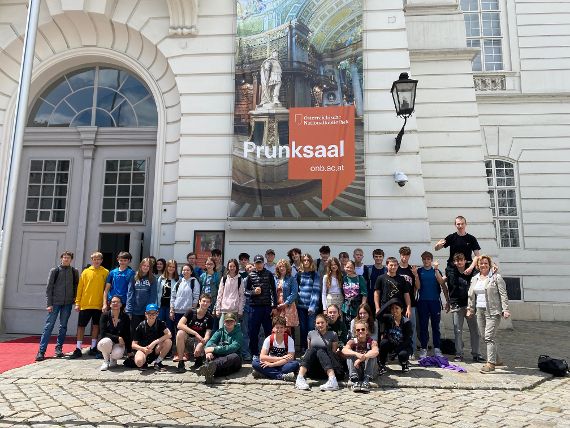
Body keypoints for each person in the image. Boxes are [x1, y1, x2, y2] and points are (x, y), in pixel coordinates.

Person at [467, 255, 510, 374]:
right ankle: (498, 360)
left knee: (489, 336)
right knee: (484, 336)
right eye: (481, 263)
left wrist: (505, 309)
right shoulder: (475, 278)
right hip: (480, 311)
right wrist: (470, 308)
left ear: (489, 265)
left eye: (486, 263)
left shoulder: (496, 277)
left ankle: (490, 363)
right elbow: (471, 295)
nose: (483, 265)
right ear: (478, 265)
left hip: (493, 310)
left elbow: (503, 294)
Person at [36, 251, 79, 361]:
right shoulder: (55, 271)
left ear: (71, 259)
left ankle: (59, 348)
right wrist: (49, 304)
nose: (66, 259)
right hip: (54, 303)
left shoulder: (74, 272)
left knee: (63, 326)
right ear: (61, 258)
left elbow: (76, 286)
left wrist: (75, 299)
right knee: (48, 326)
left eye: (68, 258)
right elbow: (49, 288)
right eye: (64, 257)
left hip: (67, 303)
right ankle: (41, 351)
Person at [70, 252, 109, 359]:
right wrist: (77, 303)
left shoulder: (105, 272)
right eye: (94, 259)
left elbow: (107, 289)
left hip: (99, 304)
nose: (96, 261)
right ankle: (78, 348)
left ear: (101, 260)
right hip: (85, 304)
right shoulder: (85, 272)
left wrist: (106, 303)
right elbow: (80, 288)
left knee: (96, 326)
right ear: (92, 260)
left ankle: (93, 347)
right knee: (81, 326)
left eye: (98, 259)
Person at [446, 253, 482, 362]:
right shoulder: (451, 272)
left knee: (474, 330)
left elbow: (483, 266)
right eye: (456, 261)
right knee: (457, 330)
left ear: (465, 261)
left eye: (461, 260)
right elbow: (446, 283)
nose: (459, 263)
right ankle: (459, 353)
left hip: (470, 304)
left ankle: (476, 354)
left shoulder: (472, 271)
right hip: (456, 304)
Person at [295, 314, 340, 391]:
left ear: (326, 323)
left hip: (327, 368)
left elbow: (333, 353)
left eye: (322, 322)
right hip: (314, 368)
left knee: (320, 351)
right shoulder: (311, 334)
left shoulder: (333, 334)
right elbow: (309, 352)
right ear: (315, 324)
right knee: (312, 350)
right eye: (318, 323)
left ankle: (332, 380)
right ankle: (300, 378)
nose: (320, 325)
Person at [417, 251, 449, 358]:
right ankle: (424, 348)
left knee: (436, 326)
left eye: (428, 259)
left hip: (435, 302)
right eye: (424, 259)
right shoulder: (419, 271)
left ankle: (437, 348)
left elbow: (441, 283)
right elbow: (417, 286)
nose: (426, 261)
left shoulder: (436, 270)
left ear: (431, 260)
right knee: (423, 326)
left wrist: (436, 269)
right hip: (422, 302)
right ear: (422, 260)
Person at [197, 312, 243, 384]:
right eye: (227, 321)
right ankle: (210, 372)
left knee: (234, 356)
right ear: (224, 322)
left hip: (232, 361)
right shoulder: (220, 331)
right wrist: (209, 351)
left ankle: (209, 367)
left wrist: (215, 349)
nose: (229, 323)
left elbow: (233, 347)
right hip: (221, 359)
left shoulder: (239, 333)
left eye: (231, 321)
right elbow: (210, 342)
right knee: (211, 349)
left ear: (235, 322)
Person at [246, 255, 278, 356]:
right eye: (257, 263)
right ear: (254, 264)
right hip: (254, 308)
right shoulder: (250, 275)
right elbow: (245, 291)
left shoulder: (269, 274)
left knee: (268, 331)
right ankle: (254, 353)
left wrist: (274, 306)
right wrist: (253, 292)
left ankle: (269, 352)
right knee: (253, 332)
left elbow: (273, 291)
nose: (259, 265)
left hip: (266, 307)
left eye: (260, 262)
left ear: (263, 263)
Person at [252, 316, 299, 381]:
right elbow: (262, 357)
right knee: (255, 362)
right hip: (270, 362)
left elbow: (290, 358)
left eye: (281, 327)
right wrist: (281, 358)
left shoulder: (289, 340)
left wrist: (272, 365)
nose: (279, 330)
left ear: (285, 329)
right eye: (277, 327)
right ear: (273, 329)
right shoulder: (268, 339)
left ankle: (266, 373)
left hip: (282, 364)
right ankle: (281, 376)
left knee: (295, 364)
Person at [175, 293, 214, 372]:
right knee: (180, 333)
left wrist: (201, 344)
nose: (205, 303)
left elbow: (207, 335)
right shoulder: (191, 311)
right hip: (189, 339)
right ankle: (181, 362)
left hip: (200, 341)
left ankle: (198, 359)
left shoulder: (210, 317)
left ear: (210, 304)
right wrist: (195, 333)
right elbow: (179, 325)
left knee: (205, 345)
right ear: (199, 302)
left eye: (207, 302)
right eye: (203, 301)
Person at [132, 303, 172, 370]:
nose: (151, 315)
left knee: (168, 341)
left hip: (156, 349)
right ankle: (144, 363)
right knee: (139, 362)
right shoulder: (141, 326)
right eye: (149, 313)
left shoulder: (160, 323)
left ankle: (158, 362)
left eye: (154, 313)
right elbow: (133, 345)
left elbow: (169, 334)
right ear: (145, 314)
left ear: (157, 314)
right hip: (144, 349)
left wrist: (154, 343)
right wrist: (143, 349)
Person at [342, 320, 379, 393]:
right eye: (358, 330)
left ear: (366, 331)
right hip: (357, 370)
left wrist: (361, 359)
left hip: (369, 370)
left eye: (363, 329)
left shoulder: (372, 342)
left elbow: (376, 351)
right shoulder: (352, 341)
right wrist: (356, 354)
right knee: (350, 354)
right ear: (355, 332)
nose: (360, 331)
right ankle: (355, 380)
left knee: (372, 355)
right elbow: (344, 350)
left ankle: (366, 380)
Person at [378, 299, 413, 374]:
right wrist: (389, 302)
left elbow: (407, 341)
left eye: (397, 308)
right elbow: (378, 315)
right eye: (392, 308)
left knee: (402, 354)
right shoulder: (389, 318)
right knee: (383, 343)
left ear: (402, 310)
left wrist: (396, 352)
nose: (394, 310)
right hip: (391, 343)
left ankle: (404, 363)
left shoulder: (407, 322)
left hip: (403, 345)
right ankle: (382, 365)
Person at [126, 258, 158, 338]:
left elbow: (153, 296)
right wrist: (129, 309)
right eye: (144, 265)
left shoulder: (153, 279)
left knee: (145, 331)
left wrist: (149, 310)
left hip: (146, 311)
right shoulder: (134, 277)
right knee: (134, 331)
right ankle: (133, 349)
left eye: (148, 266)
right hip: (135, 310)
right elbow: (130, 293)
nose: (146, 267)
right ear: (141, 266)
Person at [397, 246, 420, 358]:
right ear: (400, 255)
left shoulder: (412, 269)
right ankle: (399, 351)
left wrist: (415, 275)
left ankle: (412, 350)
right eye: (402, 255)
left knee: (411, 327)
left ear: (409, 256)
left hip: (411, 303)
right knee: (398, 327)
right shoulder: (396, 269)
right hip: (397, 303)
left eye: (406, 255)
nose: (404, 257)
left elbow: (418, 287)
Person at [97, 295, 131, 370]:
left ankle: (113, 359)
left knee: (117, 354)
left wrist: (129, 351)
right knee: (105, 342)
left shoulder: (125, 317)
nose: (115, 303)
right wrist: (118, 338)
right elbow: (103, 333)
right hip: (107, 341)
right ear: (110, 304)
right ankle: (106, 361)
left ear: (121, 304)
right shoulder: (104, 315)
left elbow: (128, 334)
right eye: (113, 302)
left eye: (117, 302)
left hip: (119, 344)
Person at [296, 253, 321, 353]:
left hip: (312, 307)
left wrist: (312, 306)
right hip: (301, 306)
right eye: (304, 260)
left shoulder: (315, 274)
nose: (306, 262)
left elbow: (316, 291)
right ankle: (303, 347)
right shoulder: (299, 274)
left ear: (311, 262)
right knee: (303, 328)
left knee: (311, 328)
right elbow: (296, 290)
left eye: (308, 260)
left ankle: (311, 348)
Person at [374, 257, 412, 321]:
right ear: (386, 266)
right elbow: (376, 293)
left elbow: (406, 294)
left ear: (397, 266)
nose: (393, 267)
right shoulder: (380, 278)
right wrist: (377, 308)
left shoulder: (402, 279)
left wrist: (408, 308)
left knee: (398, 329)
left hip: (398, 308)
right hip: (385, 308)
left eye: (395, 265)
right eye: (391, 265)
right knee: (385, 329)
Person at [170, 263, 200, 338]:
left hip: (188, 313)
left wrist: (193, 311)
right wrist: (172, 310)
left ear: (191, 272)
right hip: (177, 312)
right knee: (178, 332)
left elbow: (196, 297)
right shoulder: (179, 282)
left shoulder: (194, 282)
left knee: (187, 333)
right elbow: (173, 297)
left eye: (187, 270)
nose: (185, 272)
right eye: (183, 270)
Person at [216, 259, 245, 327]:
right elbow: (219, 294)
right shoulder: (224, 278)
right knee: (221, 329)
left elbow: (242, 296)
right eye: (230, 266)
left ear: (236, 267)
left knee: (233, 331)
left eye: (234, 266)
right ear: (228, 267)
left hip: (235, 310)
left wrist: (240, 310)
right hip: (224, 309)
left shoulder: (240, 279)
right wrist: (218, 309)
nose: (232, 268)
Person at [157, 259, 178, 343]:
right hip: (161, 305)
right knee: (160, 325)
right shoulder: (161, 278)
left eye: (173, 267)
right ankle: (160, 344)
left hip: (171, 306)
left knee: (169, 326)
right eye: (169, 266)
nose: (171, 268)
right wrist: (156, 305)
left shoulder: (178, 279)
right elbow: (157, 292)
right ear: (166, 267)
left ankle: (169, 345)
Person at [274, 259, 299, 332]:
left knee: (288, 329)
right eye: (280, 266)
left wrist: (286, 303)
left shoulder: (291, 279)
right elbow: (272, 292)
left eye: (283, 266)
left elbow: (294, 293)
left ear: (287, 267)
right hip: (278, 307)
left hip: (288, 306)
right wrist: (274, 306)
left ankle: (290, 343)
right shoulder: (275, 279)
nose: (281, 268)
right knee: (278, 327)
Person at [341, 260, 367, 328]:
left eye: (351, 267)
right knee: (346, 326)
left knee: (357, 326)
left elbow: (364, 293)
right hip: (346, 307)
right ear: (344, 267)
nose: (349, 269)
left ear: (354, 268)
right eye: (347, 267)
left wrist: (363, 306)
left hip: (357, 306)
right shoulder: (344, 278)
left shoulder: (360, 278)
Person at [240, 262, 255, 362]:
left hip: (257, 308)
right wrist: (253, 292)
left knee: (257, 332)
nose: (250, 269)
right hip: (246, 308)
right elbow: (243, 292)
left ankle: (256, 352)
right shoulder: (244, 280)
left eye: (251, 267)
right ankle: (245, 353)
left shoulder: (260, 279)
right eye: (247, 268)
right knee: (245, 332)